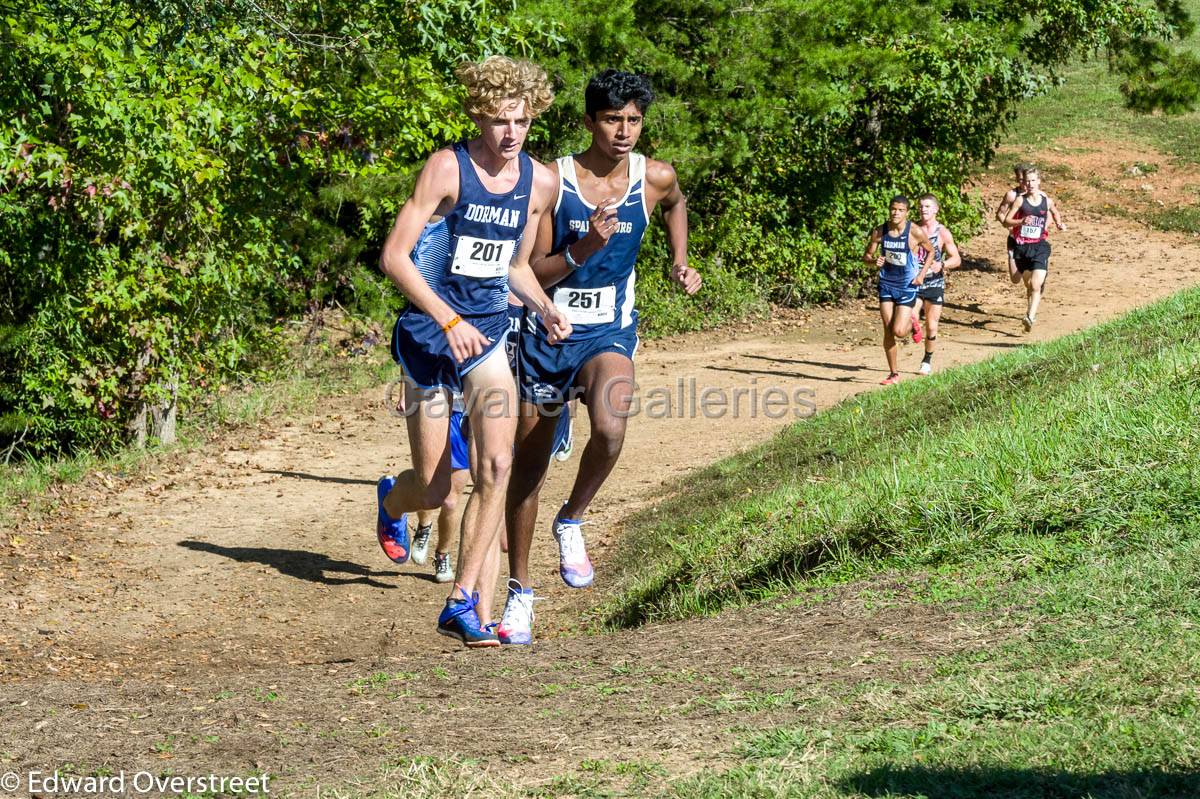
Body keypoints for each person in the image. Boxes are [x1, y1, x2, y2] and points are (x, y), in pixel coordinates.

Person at [375, 55, 571, 648]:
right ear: (478, 117)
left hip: (486, 333)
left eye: (522, 121)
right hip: (430, 333)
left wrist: (542, 305)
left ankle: (464, 603)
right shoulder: (446, 170)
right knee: (439, 491)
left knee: (496, 467)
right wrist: (447, 316)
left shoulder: (540, 182)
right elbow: (394, 258)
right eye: (499, 121)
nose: (511, 134)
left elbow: (513, 266)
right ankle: (392, 501)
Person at [500, 69, 701, 646]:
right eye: (613, 119)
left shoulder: (655, 177)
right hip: (546, 333)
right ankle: (520, 593)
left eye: (634, 120)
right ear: (590, 121)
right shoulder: (550, 182)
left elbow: (677, 204)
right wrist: (584, 246)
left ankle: (573, 518)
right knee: (527, 470)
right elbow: (530, 272)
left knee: (611, 429)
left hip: (609, 330)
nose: (624, 131)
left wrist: (677, 260)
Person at [862, 196, 935, 385]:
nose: (896, 213)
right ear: (889, 209)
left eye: (900, 210)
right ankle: (893, 374)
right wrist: (872, 260)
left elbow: (931, 251)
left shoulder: (915, 232)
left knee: (900, 331)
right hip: (886, 284)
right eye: (893, 209)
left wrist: (921, 274)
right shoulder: (880, 232)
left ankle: (913, 320)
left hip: (906, 286)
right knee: (887, 329)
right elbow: (867, 255)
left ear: (906, 213)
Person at [1003, 166, 1065, 331]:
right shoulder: (1019, 200)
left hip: (1040, 246)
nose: (1029, 184)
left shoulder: (1046, 200)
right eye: (1027, 180)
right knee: (1027, 283)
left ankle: (1030, 317)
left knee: (1036, 285)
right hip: (1022, 247)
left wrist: (1059, 223)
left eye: (1033, 180)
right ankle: (1029, 311)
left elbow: (1055, 212)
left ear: (1039, 182)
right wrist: (1020, 222)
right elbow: (1006, 221)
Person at [910, 194, 961, 375]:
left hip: (935, 282)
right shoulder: (913, 229)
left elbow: (956, 259)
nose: (923, 209)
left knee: (931, 326)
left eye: (927, 206)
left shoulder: (942, 232)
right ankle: (913, 328)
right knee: (912, 316)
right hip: (915, 282)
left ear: (935, 210)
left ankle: (926, 360)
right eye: (921, 206)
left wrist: (942, 265)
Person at [995, 164, 1029, 285]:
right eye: (1021, 180)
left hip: (1032, 240)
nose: (1024, 183)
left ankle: (1033, 295)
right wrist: (1008, 225)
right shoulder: (1012, 195)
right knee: (1015, 279)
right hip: (1015, 239)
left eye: (1026, 180)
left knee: (1031, 280)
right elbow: (1000, 213)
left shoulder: (1038, 195)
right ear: (1017, 179)